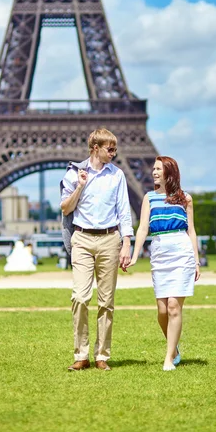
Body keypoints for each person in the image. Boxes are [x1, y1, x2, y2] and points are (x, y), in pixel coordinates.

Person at [60, 128, 133, 372]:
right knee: (80, 297)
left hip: (109, 239)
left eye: (114, 148)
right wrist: (80, 186)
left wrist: (127, 243)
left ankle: (102, 355)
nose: (114, 153)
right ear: (95, 148)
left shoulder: (118, 175)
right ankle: (81, 354)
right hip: (81, 238)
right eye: (109, 149)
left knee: (106, 301)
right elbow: (65, 209)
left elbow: (124, 210)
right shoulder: (74, 173)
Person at [128, 156, 200, 371]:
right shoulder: (149, 198)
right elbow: (142, 229)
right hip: (159, 251)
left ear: (170, 171)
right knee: (161, 311)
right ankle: (175, 349)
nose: (154, 172)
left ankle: (168, 358)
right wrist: (134, 255)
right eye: (153, 169)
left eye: (158, 168)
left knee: (173, 307)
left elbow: (191, 230)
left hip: (181, 249)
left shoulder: (185, 198)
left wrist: (196, 261)